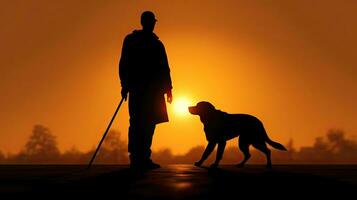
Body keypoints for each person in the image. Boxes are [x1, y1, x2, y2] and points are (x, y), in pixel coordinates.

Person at [119, 11, 173, 169]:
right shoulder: (131, 41)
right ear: (144, 22)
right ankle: (136, 158)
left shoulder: (157, 44)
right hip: (138, 89)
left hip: (154, 91)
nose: (152, 24)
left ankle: (144, 157)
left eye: (153, 22)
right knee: (137, 123)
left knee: (149, 124)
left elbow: (164, 68)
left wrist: (169, 89)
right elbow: (124, 64)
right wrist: (124, 85)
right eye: (150, 21)